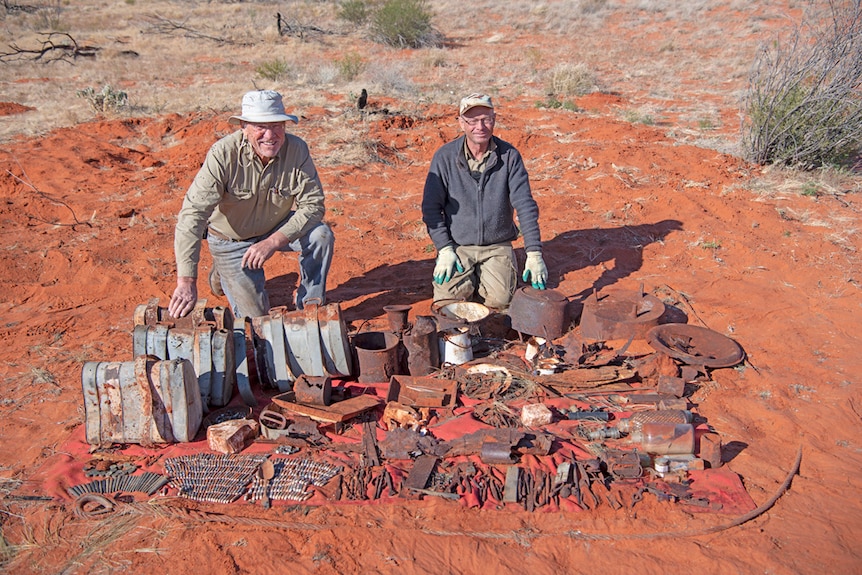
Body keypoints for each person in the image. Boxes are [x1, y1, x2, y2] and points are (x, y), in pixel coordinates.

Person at [168, 89, 334, 319]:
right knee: (257, 319)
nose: (270, 135)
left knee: (320, 235)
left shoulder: (297, 149)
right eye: (260, 127)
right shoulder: (222, 154)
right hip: (231, 239)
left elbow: (313, 205)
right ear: (243, 127)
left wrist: (273, 242)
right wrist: (186, 281)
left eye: (277, 125)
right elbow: (192, 215)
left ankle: (310, 305)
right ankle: (225, 269)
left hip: (274, 227)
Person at [421, 93, 547, 311]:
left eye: (486, 119)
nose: (480, 126)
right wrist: (444, 249)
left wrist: (534, 253)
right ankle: (472, 279)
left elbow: (525, 206)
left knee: (501, 303)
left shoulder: (509, 156)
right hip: (458, 245)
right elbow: (431, 208)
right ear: (461, 122)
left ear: (494, 119)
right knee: (447, 305)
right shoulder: (445, 157)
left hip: (496, 245)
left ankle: (486, 278)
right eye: (472, 120)